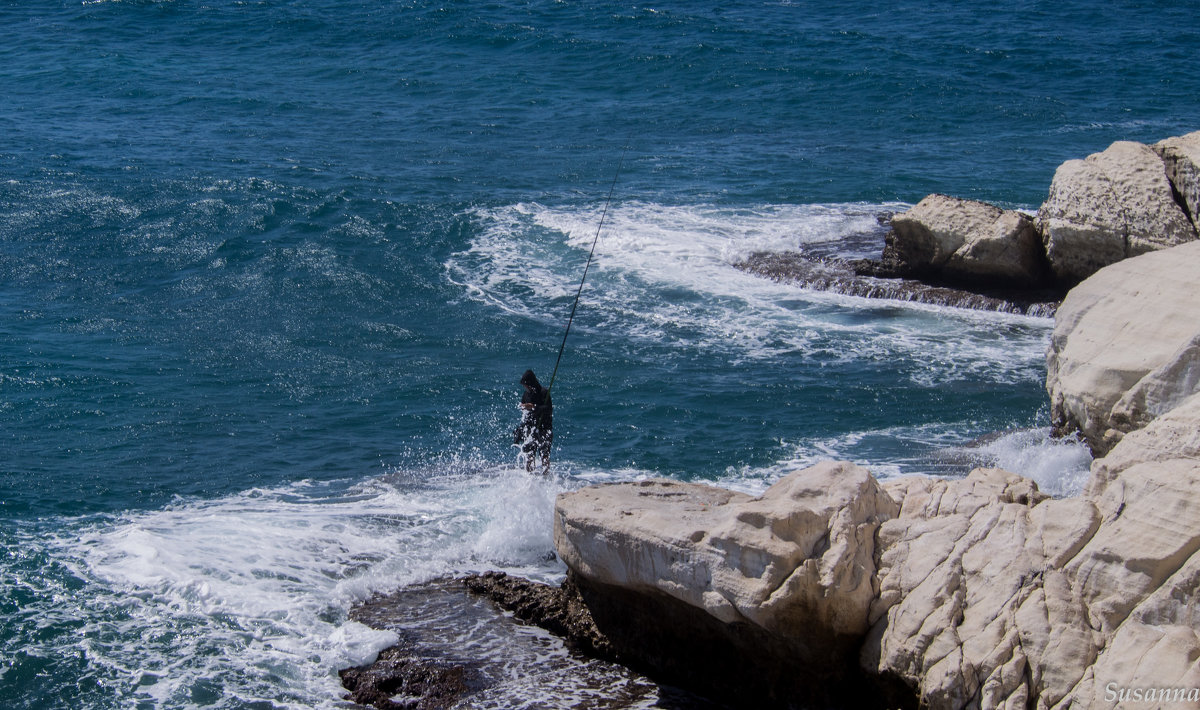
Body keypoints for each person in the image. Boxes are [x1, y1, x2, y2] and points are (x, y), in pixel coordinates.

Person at [514, 369, 553, 475]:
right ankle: (530, 478)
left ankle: (546, 477)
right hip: (530, 430)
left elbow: (548, 409)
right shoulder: (526, 394)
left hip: (544, 429)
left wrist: (534, 407)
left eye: (526, 385)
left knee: (544, 455)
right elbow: (524, 409)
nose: (526, 387)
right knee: (529, 456)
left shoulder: (544, 393)